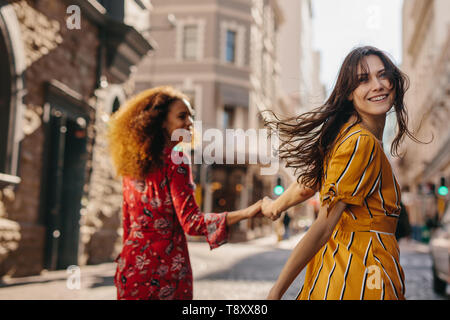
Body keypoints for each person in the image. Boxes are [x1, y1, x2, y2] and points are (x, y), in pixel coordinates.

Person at [261, 46, 425, 300]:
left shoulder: (349, 137)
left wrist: (277, 205)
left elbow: (311, 183)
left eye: (383, 75)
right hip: (362, 277)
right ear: (349, 93)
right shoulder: (361, 143)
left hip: (347, 270)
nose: (378, 85)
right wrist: (275, 293)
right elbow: (324, 225)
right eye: (363, 80)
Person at [107, 86, 262, 300]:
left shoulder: (132, 165)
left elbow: (127, 223)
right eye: (182, 116)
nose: (190, 122)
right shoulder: (177, 161)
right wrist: (247, 213)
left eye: (192, 116)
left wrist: (126, 261)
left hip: (131, 267)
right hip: (165, 271)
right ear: (161, 122)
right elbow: (192, 223)